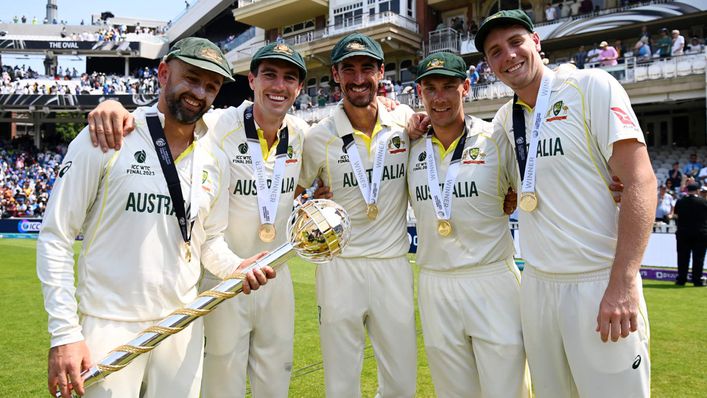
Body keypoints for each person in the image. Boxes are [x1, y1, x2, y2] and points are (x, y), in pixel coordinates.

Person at [37, 38, 274, 398]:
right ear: (163, 73)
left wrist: (236, 268)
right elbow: (56, 235)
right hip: (109, 323)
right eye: (191, 78)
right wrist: (65, 334)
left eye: (211, 86)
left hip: (182, 324)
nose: (199, 93)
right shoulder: (107, 136)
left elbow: (208, 240)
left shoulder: (215, 159)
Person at [85, 42, 319, 397]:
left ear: (299, 89)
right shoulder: (215, 122)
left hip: (275, 276)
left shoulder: (303, 134)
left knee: (276, 379)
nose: (279, 86)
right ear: (251, 80)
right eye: (269, 75)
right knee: (220, 384)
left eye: (289, 78)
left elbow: (316, 174)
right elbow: (160, 118)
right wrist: (112, 107)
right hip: (221, 279)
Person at [475, 10, 655, 397]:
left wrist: (622, 284)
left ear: (536, 42)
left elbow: (640, 180)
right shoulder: (506, 119)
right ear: (489, 66)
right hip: (537, 286)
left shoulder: (590, 86)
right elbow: (503, 187)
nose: (508, 56)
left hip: (598, 281)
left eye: (515, 42)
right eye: (495, 52)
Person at [298, 33, 417, 397]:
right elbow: (293, 193)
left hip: (392, 264)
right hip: (339, 267)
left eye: (367, 68)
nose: (359, 78)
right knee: (341, 382)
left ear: (382, 72)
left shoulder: (406, 124)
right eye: (348, 69)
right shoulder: (318, 137)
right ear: (335, 75)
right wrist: (309, 202)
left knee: (401, 382)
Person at [408, 51, 530, 397]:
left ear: (466, 87)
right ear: (420, 93)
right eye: (430, 88)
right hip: (435, 282)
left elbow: (535, 187)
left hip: (491, 278)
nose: (439, 97)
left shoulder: (496, 138)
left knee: (507, 390)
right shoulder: (410, 145)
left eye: (449, 86)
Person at [673, 183, 707, 286]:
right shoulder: (704, 202)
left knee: (683, 257)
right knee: (698, 258)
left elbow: (676, 215)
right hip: (700, 233)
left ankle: (681, 279)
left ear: (687, 191)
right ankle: (697, 280)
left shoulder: (680, 202)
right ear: (697, 191)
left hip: (683, 233)